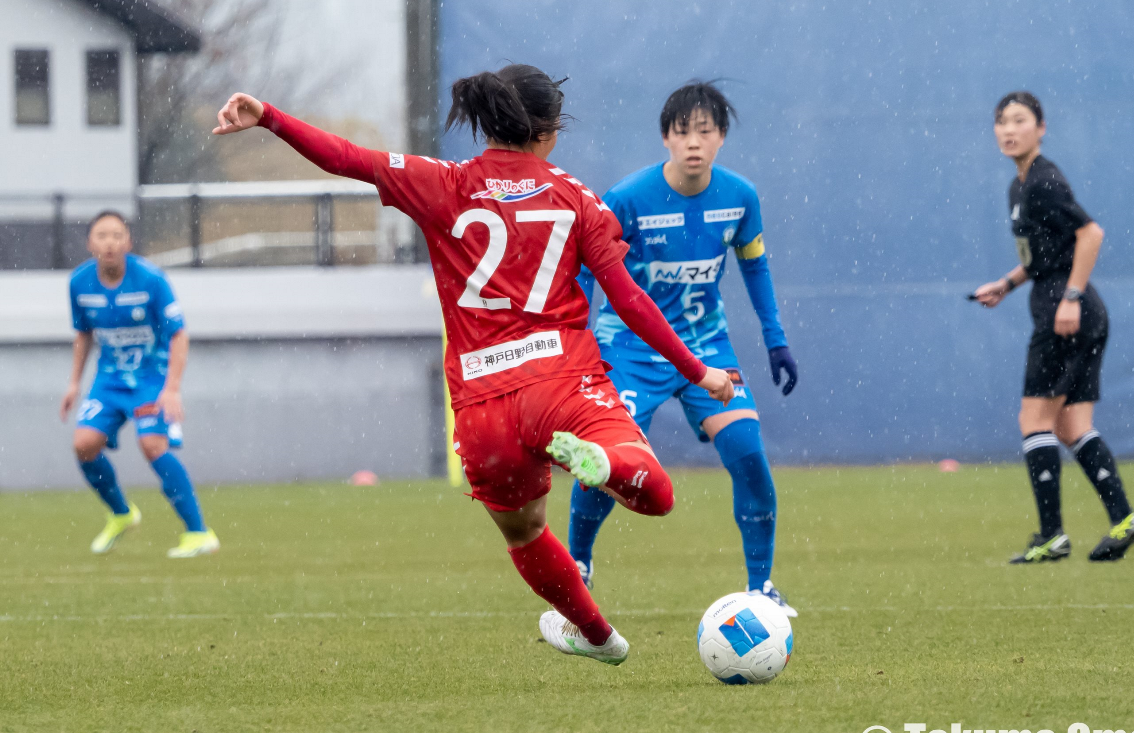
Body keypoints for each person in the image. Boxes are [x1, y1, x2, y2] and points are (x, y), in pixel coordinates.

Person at [213, 65, 734, 665]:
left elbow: (346, 158)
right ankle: (608, 462)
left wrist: (270, 118)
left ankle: (598, 637)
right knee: (654, 491)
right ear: (550, 129)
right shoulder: (575, 196)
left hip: (484, 407)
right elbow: (629, 299)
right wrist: (699, 371)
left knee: (526, 532)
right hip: (561, 383)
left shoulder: (444, 183)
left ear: (487, 122)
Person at [566, 83, 799, 614]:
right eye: (681, 131)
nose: (693, 141)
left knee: (749, 455)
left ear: (721, 138)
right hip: (629, 349)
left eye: (705, 130)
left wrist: (775, 340)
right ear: (665, 138)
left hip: (705, 347)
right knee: (610, 463)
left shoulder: (741, 197)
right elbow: (584, 268)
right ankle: (579, 562)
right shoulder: (627, 198)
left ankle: (760, 588)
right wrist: (578, 340)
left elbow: (755, 266)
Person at [972, 92, 1134, 564]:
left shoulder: (1043, 181)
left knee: (1034, 421)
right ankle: (1125, 518)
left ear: (1041, 127)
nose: (1009, 130)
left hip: (1065, 313)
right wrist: (1006, 284)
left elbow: (1090, 234)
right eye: (1002, 122)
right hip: (1076, 311)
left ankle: (1052, 536)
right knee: (1073, 425)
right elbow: (1041, 257)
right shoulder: (1019, 186)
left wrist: (1070, 297)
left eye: (1020, 120)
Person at [59, 211, 219, 559]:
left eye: (117, 235)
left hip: (152, 379)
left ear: (129, 242)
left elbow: (179, 334)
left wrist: (172, 388)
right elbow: (83, 333)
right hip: (110, 380)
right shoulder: (79, 283)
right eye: (102, 235)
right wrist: (74, 383)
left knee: (152, 445)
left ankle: (199, 533)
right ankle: (121, 514)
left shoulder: (150, 279)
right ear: (90, 243)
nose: (110, 242)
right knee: (84, 445)